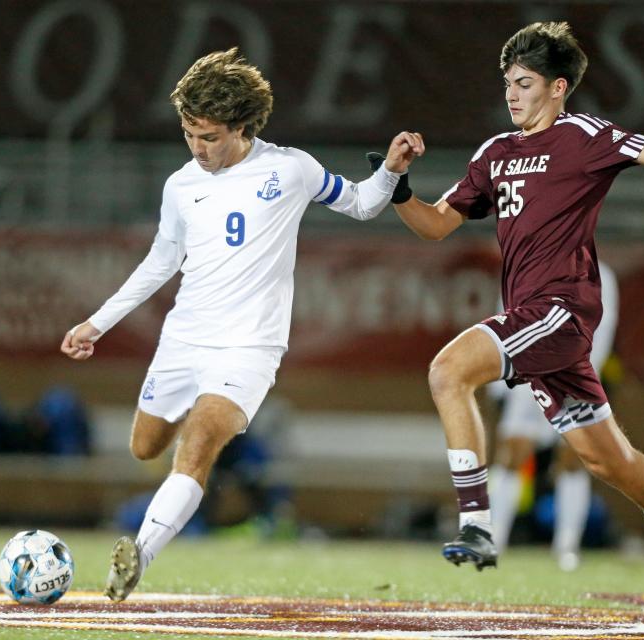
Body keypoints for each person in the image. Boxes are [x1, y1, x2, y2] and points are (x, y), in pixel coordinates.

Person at [375, 22, 644, 620]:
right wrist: (396, 185)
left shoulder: (584, 136)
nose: (511, 93)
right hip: (536, 318)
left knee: (448, 370)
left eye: (523, 83)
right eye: (507, 83)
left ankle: (477, 525)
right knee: (609, 461)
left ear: (558, 88)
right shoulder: (494, 154)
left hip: (562, 310)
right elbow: (435, 224)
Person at [60, 48, 423, 603]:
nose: (197, 148)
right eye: (188, 133)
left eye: (208, 136)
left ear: (242, 125)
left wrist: (391, 172)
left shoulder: (290, 168)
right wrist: (97, 322)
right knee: (144, 446)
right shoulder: (181, 186)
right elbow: (161, 261)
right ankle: (174, 485)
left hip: (249, 346)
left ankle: (139, 556)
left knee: (198, 442)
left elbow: (360, 204)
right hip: (184, 338)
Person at [488, 260, 617, 571]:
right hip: (528, 376)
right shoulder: (527, 264)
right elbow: (504, 321)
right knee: (512, 455)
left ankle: (567, 546)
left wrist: (587, 376)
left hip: (574, 379)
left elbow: (603, 327)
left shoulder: (601, 276)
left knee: (573, 460)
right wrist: (503, 383)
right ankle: (492, 542)